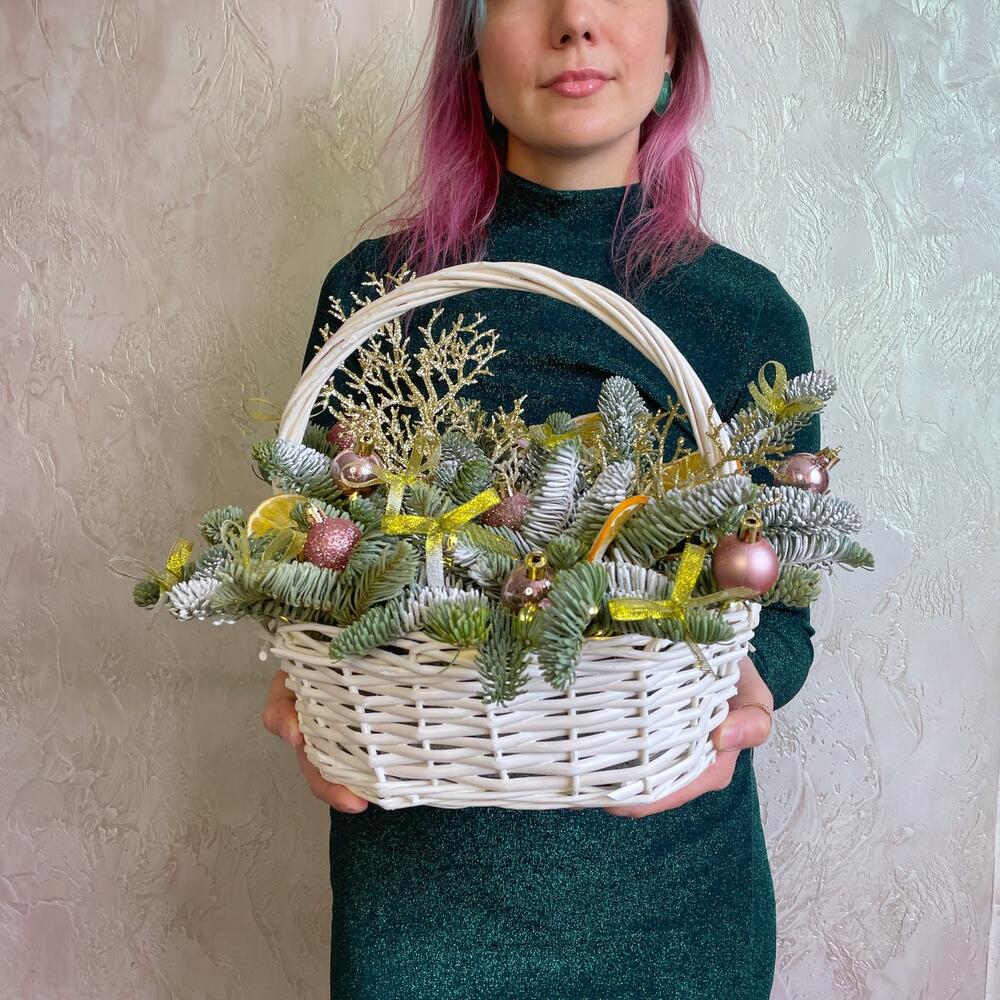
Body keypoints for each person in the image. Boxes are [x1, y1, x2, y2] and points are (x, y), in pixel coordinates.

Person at [261, 1, 820, 996]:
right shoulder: (376, 295)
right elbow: (303, 548)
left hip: (674, 902)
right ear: (470, 48)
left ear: (673, 47)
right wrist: (301, 689)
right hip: (422, 903)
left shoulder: (745, 315)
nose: (576, 21)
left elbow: (779, 609)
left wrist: (748, 699)